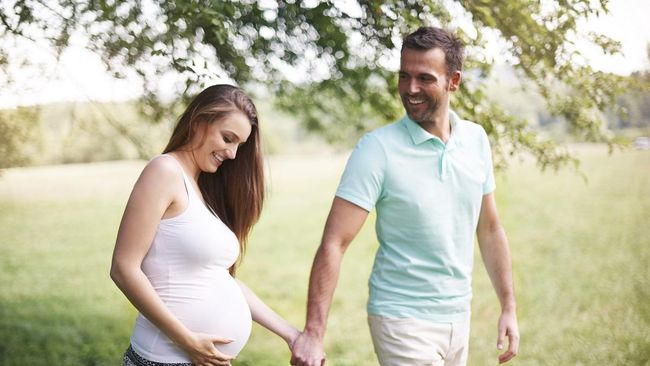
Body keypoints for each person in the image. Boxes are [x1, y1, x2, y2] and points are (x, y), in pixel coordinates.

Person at [290, 26, 519, 366]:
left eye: (424, 78)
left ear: (452, 81)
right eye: (403, 76)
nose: (410, 89)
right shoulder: (377, 149)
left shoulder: (475, 140)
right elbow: (334, 242)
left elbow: (489, 228)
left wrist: (508, 306)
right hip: (401, 319)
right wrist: (314, 332)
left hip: (459, 315)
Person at [110, 84, 299, 366]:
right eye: (227, 138)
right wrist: (186, 339)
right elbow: (123, 268)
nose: (233, 153)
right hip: (164, 360)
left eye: (239, 145)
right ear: (199, 123)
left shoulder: (200, 189)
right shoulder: (164, 171)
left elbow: (221, 280)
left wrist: (291, 335)